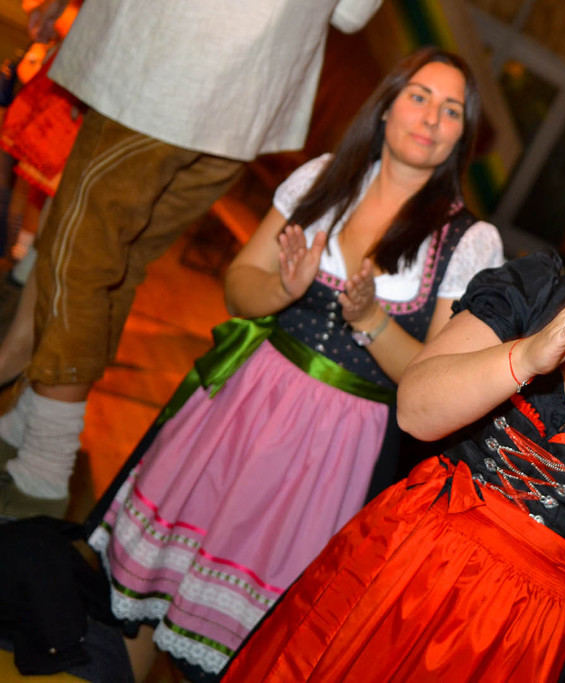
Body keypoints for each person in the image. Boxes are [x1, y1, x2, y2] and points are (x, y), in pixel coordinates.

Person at [220, 136, 565, 681]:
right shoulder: (535, 289)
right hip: (402, 554)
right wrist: (530, 355)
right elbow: (416, 409)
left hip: (515, 629)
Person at [82, 48, 502, 681]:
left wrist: (372, 320)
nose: (431, 118)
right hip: (245, 405)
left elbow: (430, 385)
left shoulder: (470, 241)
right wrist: (284, 286)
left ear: (462, 136)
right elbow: (239, 287)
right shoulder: (323, 179)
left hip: (340, 451)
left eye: (451, 110)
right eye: (419, 97)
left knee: (247, 642)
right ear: (387, 106)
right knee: (149, 597)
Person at [0, 0, 383, 519]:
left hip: (163, 60)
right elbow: (351, 14)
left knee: (79, 254)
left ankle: (46, 462)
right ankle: (24, 428)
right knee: (118, 262)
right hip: (249, 103)